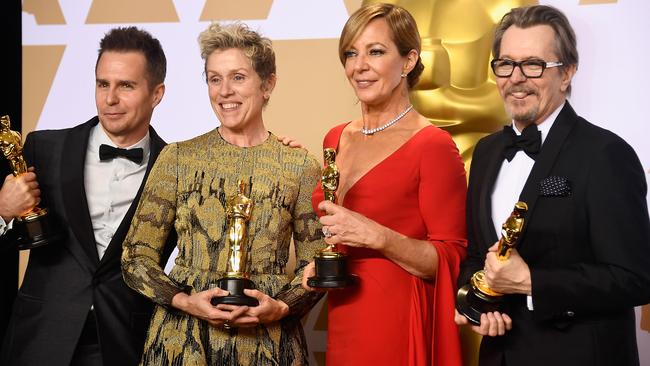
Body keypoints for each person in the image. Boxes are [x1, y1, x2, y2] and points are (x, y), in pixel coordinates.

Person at [455, 5, 650, 366]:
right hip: (500, 355)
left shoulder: (606, 154)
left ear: (567, 73)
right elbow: (474, 255)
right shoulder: (485, 152)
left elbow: (635, 277)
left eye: (533, 64)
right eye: (505, 64)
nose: (516, 78)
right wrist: (475, 304)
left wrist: (532, 282)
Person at [121, 22, 324, 365]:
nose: (224, 91)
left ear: (268, 84)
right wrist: (184, 300)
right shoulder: (178, 157)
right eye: (215, 79)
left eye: (238, 77)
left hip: (269, 345)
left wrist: (282, 306)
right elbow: (135, 257)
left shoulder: (300, 165)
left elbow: (316, 264)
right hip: (182, 344)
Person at [301, 3, 468, 365]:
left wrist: (377, 236)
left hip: (398, 321)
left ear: (408, 61)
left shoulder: (432, 145)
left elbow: (450, 258)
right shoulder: (335, 137)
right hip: (345, 317)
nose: (359, 65)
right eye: (351, 53)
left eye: (375, 52)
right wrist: (324, 262)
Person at [0, 27, 176, 366]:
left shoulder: (177, 166)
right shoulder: (43, 148)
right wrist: (4, 213)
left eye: (126, 85)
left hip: (126, 342)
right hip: (41, 336)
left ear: (156, 94)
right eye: (102, 84)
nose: (110, 99)